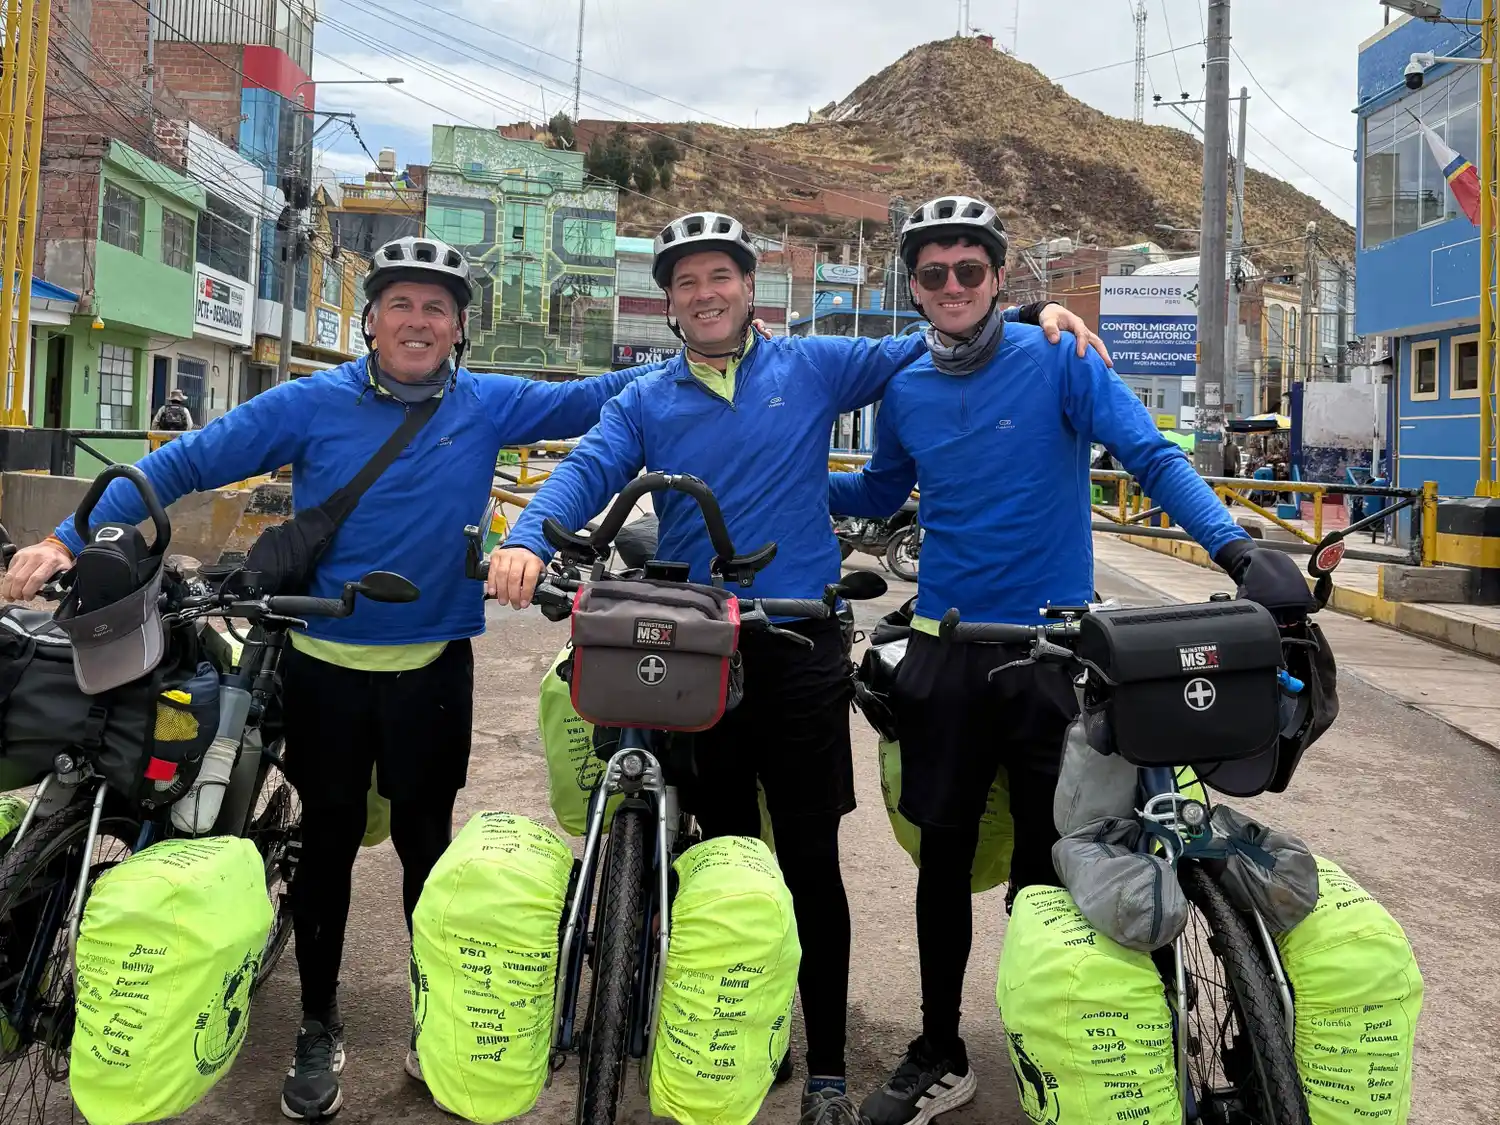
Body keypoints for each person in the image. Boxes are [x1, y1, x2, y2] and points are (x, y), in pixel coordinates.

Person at [0, 235, 670, 1122]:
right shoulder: (313, 402)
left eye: (437, 307)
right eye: (401, 303)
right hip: (322, 666)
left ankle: (441, 1022)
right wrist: (73, 537)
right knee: (328, 848)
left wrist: (701, 351)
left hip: (433, 666)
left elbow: (600, 399)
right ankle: (319, 1023)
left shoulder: (488, 402)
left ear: (460, 327)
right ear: (371, 320)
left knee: (429, 848)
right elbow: (184, 463)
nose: (418, 321)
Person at [486, 209, 1108, 1125]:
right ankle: (750, 1022)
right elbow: (585, 470)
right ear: (670, 303)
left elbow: (940, 329)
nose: (705, 295)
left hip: (802, 643)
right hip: (701, 645)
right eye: (686, 283)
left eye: (720, 279)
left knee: (814, 859)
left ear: (750, 290)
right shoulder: (647, 399)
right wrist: (529, 537)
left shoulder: (814, 364)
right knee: (732, 852)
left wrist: (1038, 315)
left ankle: (825, 1069)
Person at [825, 194, 1318, 1125]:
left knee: (1062, 862)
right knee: (944, 858)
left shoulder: (1058, 355)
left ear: (999, 276)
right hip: (947, 647)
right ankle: (938, 1049)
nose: (953, 286)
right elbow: (884, 488)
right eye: (933, 273)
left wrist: (1237, 549)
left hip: (1054, 653)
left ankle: (1053, 1034)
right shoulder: (905, 386)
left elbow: (1149, 454)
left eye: (971, 269)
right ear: (915, 287)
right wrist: (785, 479)